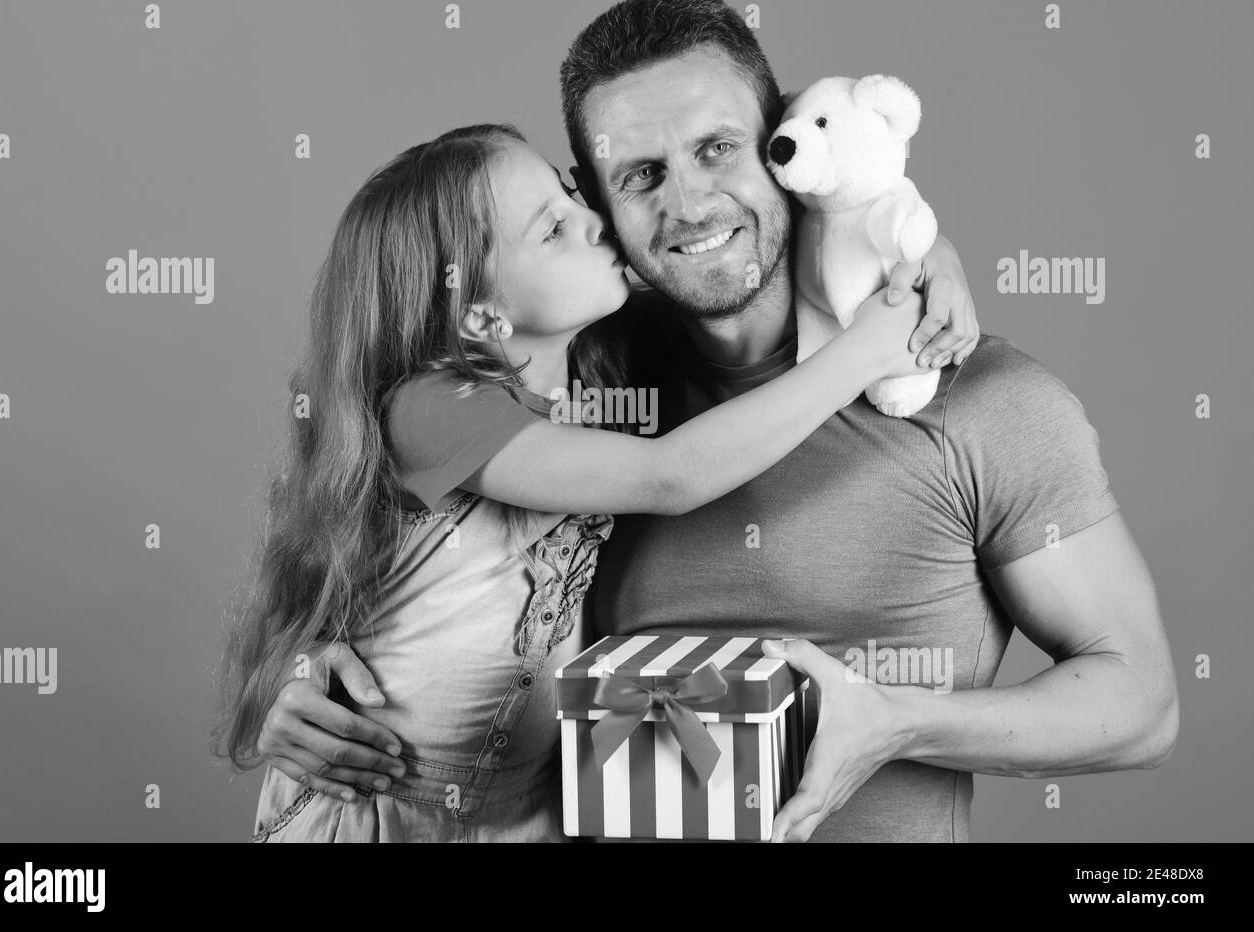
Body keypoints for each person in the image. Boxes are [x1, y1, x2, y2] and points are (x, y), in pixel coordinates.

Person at [244, 0, 1177, 843]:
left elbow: (1142, 702)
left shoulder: (980, 401)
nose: (688, 203)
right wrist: (319, 684)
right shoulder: (595, 388)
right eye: (640, 174)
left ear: (785, 147)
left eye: (718, 149)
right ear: (599, 202)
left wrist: (905, 724)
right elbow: (411, 549)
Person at [213, 120, 964, 842]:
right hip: (380, 815)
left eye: (571, 198)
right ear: (479, 314)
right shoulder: (431, 409)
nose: (595, 223)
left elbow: (769, 245)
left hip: (528, 819)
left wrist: (925, 255)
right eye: (553, 229)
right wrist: (867, 351)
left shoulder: (596, 376)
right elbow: (673, 477)